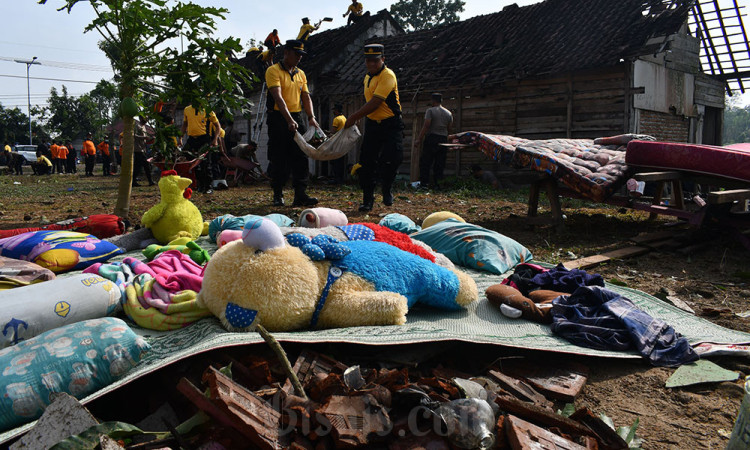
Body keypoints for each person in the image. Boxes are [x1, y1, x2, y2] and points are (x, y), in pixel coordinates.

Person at [344, 44, 403, 212]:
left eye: (375, 60)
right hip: (372, 125)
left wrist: (354, 117)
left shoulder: (388, 75)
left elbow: (376, 102)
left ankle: (386, 188)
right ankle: (367, 200)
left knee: (392, 159)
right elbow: (370, 103)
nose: (371, 64)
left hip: (391, 124)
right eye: (369, 60)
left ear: (382, 59)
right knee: (366, 162)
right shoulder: (367, 77)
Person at [265, 39, 319, 207]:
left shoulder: (300, 73)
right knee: (279, 155)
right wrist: (289, 120)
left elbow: (305, 96)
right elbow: (278, 97)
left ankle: (300, 194)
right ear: (286, 52)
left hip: (297, 115)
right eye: (296, 54)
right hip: (278, 117)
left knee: (301, 155)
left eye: (301, 55)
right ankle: (278, 194)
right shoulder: (273, 71)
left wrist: (311, 117)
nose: (299, 58)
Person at [181, 104, 222, 194]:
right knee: (194, 165)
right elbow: (185, 124)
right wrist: (180, 138)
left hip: (204, 139)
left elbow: (218, 126)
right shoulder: (187, 109)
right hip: (192, 140)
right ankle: (200, 185)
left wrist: (215, 140)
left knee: (206, 164)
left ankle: (208, 187)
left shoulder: (208, 110)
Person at [416, 92, 453, 189]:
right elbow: (449, 129)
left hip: (432, 138)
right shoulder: (448, 113)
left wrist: (419, 139)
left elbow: (426, 125)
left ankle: (424, 184)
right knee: (439, 163)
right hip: (443, 138)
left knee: (426, 162)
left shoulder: (430, 111)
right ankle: (438, 184)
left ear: (433, 101)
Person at [324, 103, 347, 184]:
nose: (333, 111)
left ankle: (336, 179)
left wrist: (326, 134)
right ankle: (341, 179)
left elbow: (333, 133)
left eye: (334, 110)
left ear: (337, 111)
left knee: (335, 161)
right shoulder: (344, 118)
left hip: (337, 143)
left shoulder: (336, 119)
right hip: (343, 142)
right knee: (341, 161)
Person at [133, 116, 155, 187]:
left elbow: (145, 140)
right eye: (144, 118)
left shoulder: (144, 127)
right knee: (146, 165)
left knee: (137, 166)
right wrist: (144, 137)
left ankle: (133, 181)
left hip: (143, 149)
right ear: (140, 118)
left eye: (147, 119)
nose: (146, 120)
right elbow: (133, 135)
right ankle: (150, 180)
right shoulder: (137, 126)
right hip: (138, 149)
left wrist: (151, 139)